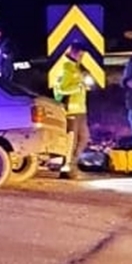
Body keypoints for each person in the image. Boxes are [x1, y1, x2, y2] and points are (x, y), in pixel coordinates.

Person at [50, 42, 90, 180]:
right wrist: (78, 87)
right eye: (80, 54)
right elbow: (60, 90)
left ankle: (72, 164)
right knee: (71, 142)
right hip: (71, 111)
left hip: (80, 110)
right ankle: (66, 168)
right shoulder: (65, 67)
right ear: (74, 52)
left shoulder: (75, 68)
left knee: (84, 138)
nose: (81, 57)